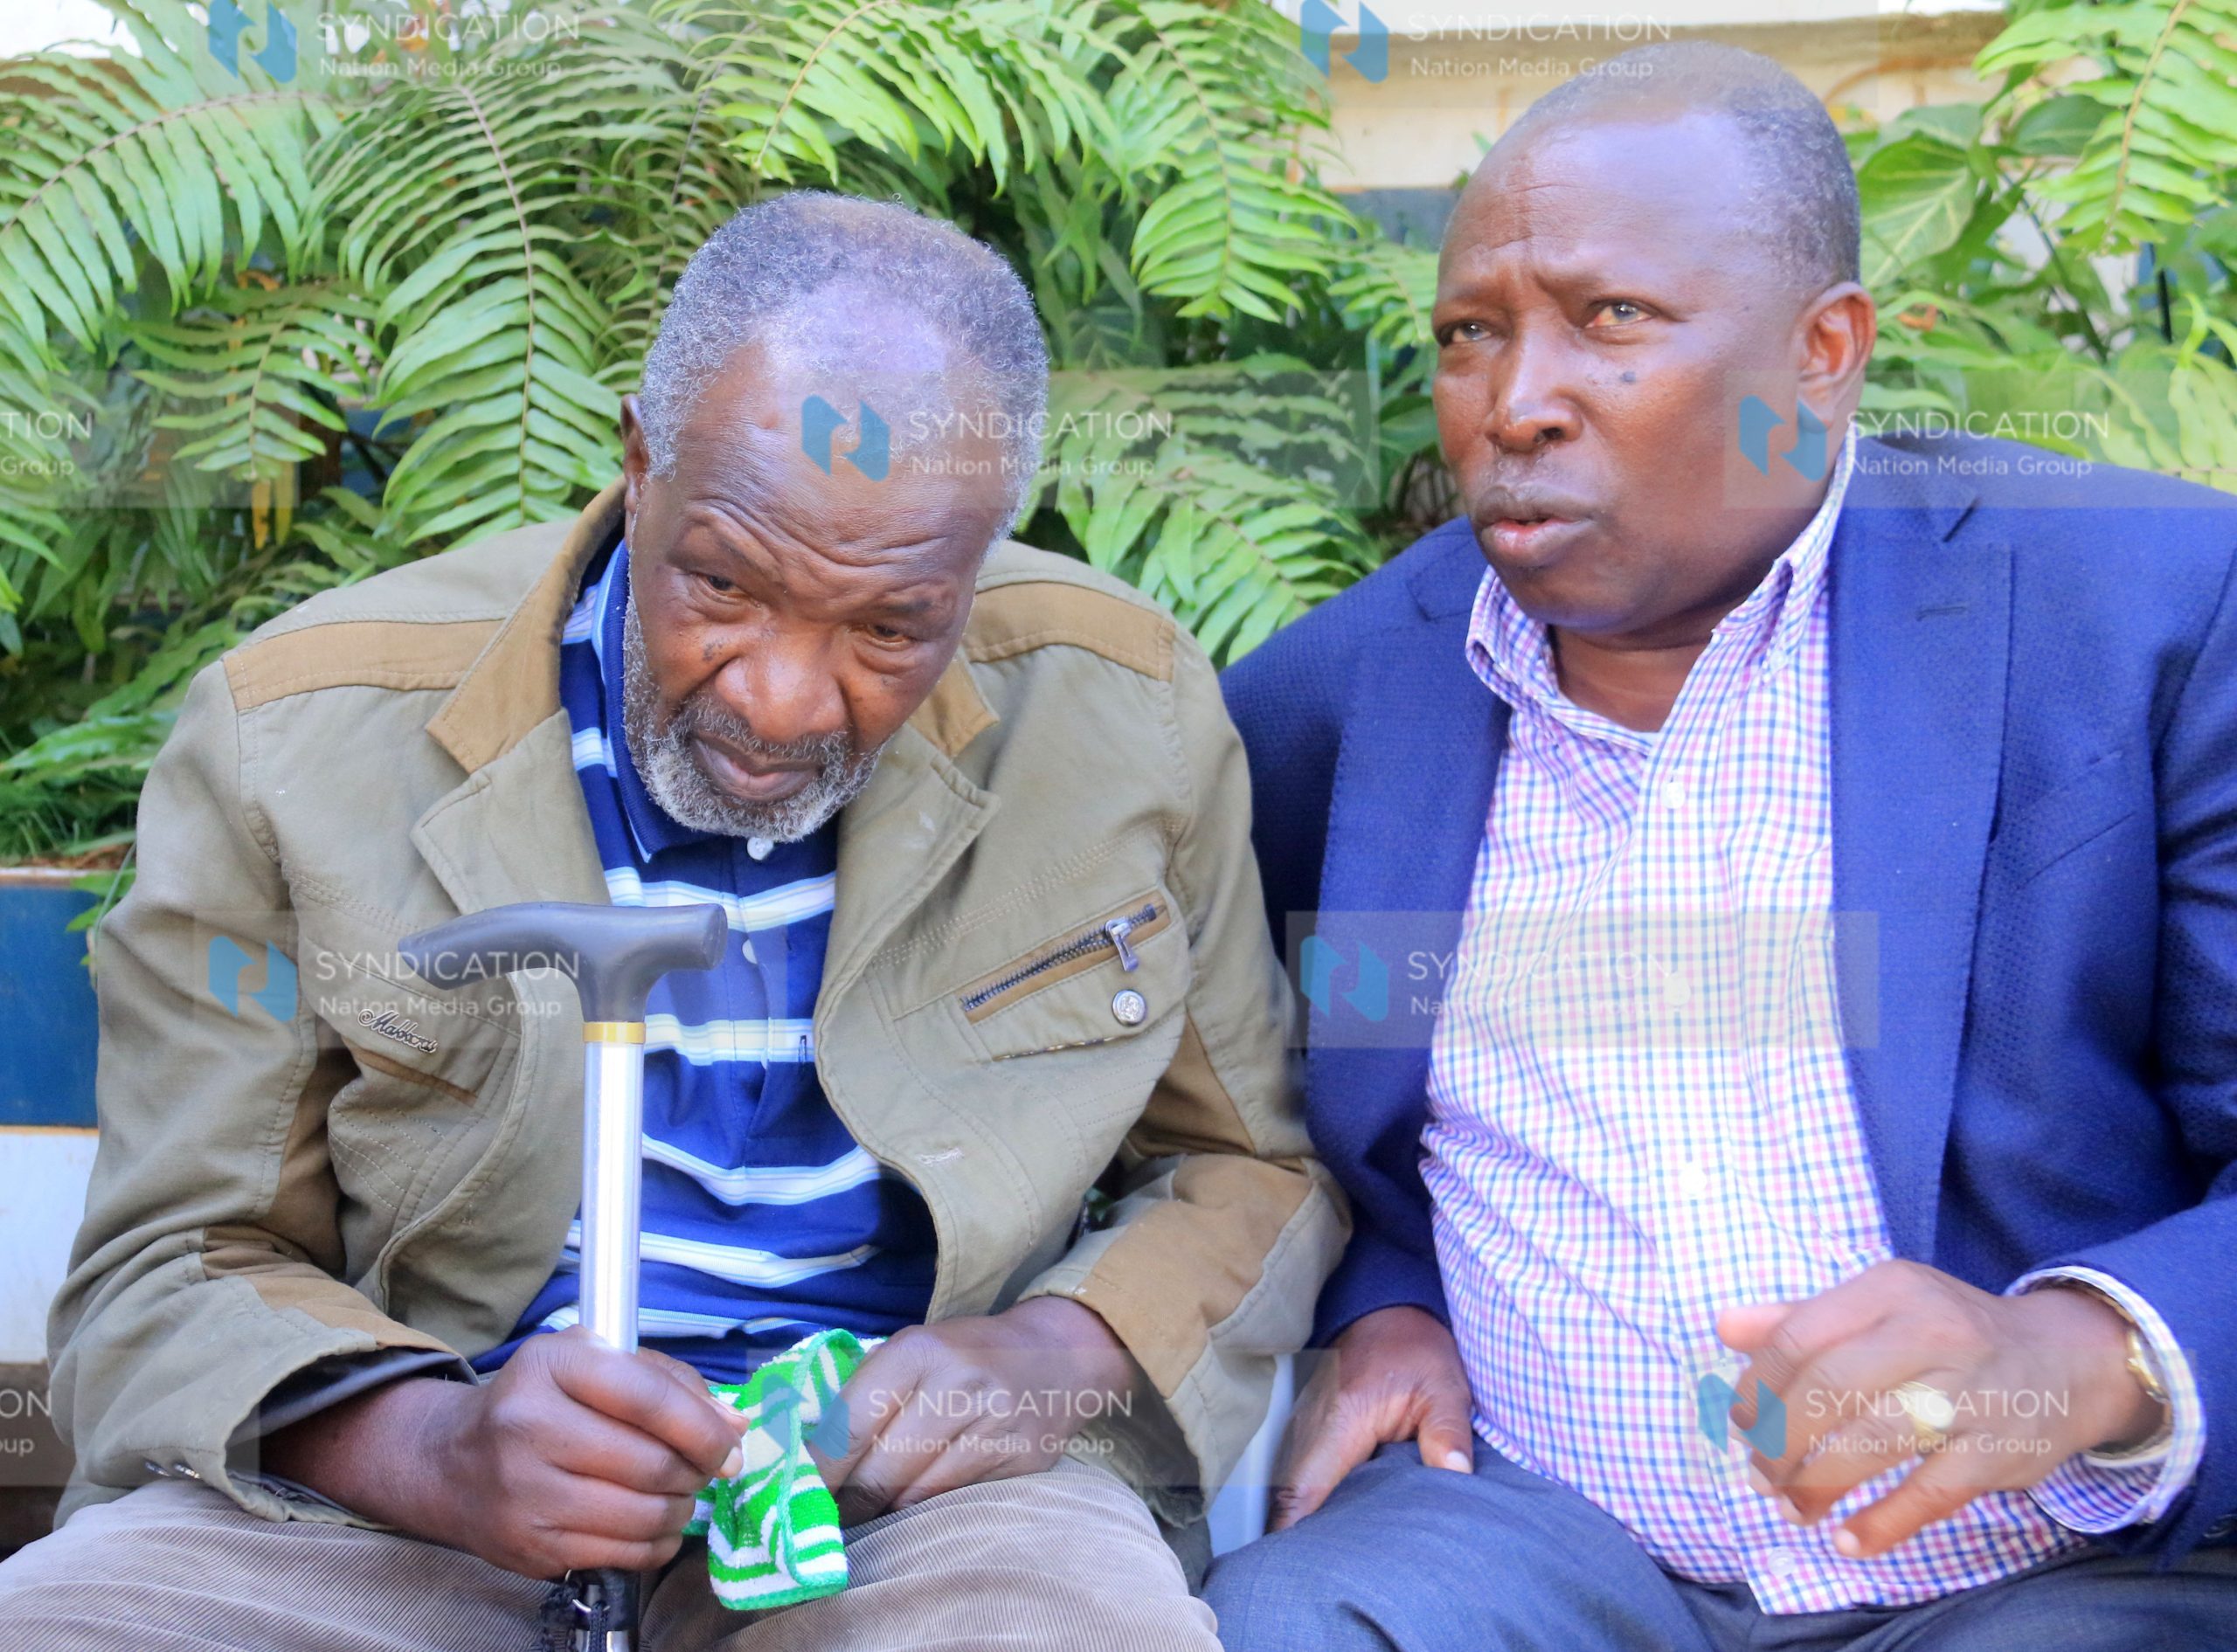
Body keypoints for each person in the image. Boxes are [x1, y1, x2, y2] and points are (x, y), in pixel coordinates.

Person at [0, 191, 1344, 1650]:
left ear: (983, 556)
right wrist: (433, 1451)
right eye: (720, 583)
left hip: (914, 1521)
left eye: (892, 626)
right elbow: (170, 1261)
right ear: (640, 459)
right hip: (399, 1494)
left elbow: (1248, 1169)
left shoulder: (1121, 715)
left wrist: (1047, 1356)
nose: (780, 701)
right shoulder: (294, 735)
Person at [1208, 41, 2237, 1652]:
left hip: (2052, 1576)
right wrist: (1381, 1298)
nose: (1516, 402)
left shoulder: (2149, 624)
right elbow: (1248, 1111)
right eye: (1472, 333)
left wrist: (2086, 1353)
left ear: (1822, 353)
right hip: (1543, 1548)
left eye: (1612, 320)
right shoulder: (1324, 712)